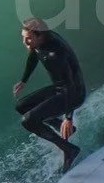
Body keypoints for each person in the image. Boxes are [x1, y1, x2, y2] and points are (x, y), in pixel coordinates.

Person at [12, 16, 86, 170]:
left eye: (28, 39)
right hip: (60, 89)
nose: (25, 42)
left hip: (73, 93)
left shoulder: (55, 54)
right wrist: (24, 80)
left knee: (28, 121)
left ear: (39, 36)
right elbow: (34, 54)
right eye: (23, 38)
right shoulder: (41, 40)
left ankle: (69, 149)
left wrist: (68, 117)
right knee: (21, 106)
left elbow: (70, 85)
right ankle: (59, 125)